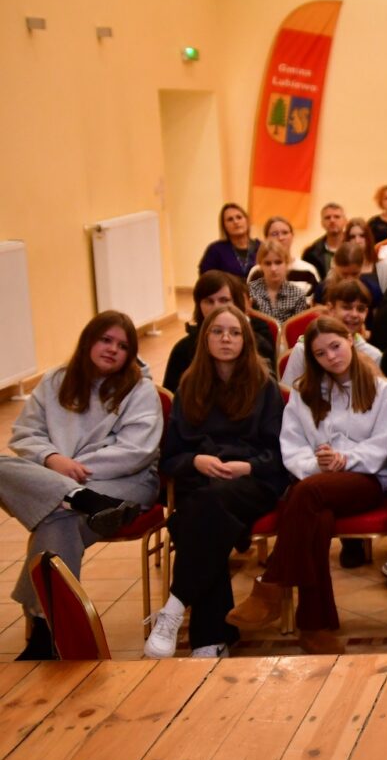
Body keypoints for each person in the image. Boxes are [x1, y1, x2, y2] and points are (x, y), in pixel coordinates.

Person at [226, 317, 387, 653]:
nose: (331, 357)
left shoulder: (382, 390)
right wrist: (317, 465)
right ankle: (313, 626)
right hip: (316, 483)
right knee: (315, 517)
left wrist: (344, 460)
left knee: (304, 495)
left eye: (336, 346)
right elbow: (291, 446)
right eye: (320, 353)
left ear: (350, 340)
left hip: (366, 479)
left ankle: (271, 584)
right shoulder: (304, 393)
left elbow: (382, 445)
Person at [3, 312, 161, 659]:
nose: (113, 349)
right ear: (89, 340)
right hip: (70, 484)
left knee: (54, 517)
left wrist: (71, 472)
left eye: (122, 346)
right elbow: (25, 434)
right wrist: (52, 459)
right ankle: (76, 498)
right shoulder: (55, 381)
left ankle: (44, 632)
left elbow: (136, 451)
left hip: (123, 486)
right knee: (9, 472)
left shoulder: (140, 389)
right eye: (106, 340)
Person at [146, 304, 288, 658]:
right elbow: (171, 457)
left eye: (235, 332)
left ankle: (175, 608)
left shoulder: (265, 386)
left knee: (195, 517)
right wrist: (196, 460)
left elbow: (280, 453)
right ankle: (211, 641)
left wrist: (246, 466)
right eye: (218, 332)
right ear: (205, 338)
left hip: (252, 482)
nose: (226, 339)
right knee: (207, 517)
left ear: (246, 340)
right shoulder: (189, 386)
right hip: (202, 482)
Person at [163, 272, 278, 392]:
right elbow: (174, 398)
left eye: (224, 300)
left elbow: (268, 394)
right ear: (199, 306)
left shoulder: (258, 345)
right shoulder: (182, 350)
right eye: (209, 301)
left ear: (237, 304)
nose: (216, 307)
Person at [280, 280, 383, 386]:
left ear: (366, 312)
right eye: (346, 307)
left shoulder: (373, 355)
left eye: (360, 309)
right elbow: (289, 390)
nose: (354, 314)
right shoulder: (304, 349)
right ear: (331, 309)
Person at [249, 215, 322, 301]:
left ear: (292, 236)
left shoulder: (308, 271)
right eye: (274, 234)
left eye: (285, 233)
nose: (280, 238)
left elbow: (315, 304)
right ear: (266, 238)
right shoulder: (257, 272)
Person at [247, 239, 311, 324]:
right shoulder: (250, 291)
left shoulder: (297, 295)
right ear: (260, 265)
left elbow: (298, 328)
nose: (273, 269)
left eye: (278, 262)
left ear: (287, 263)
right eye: (268, 263)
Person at [197, 202, 259, 278]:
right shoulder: (215, 250)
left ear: (247, 221)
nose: (236, 222)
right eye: (230, 219)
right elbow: (206, 278)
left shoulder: (260, 248)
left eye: (239, 217)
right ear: (224, 226)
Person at [301, 202, 347, 280]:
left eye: (337, 217)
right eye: (327, 217)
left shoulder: (356, 249)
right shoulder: (311, 254)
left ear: (345, 221)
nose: (332, 220)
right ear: (322, 223)